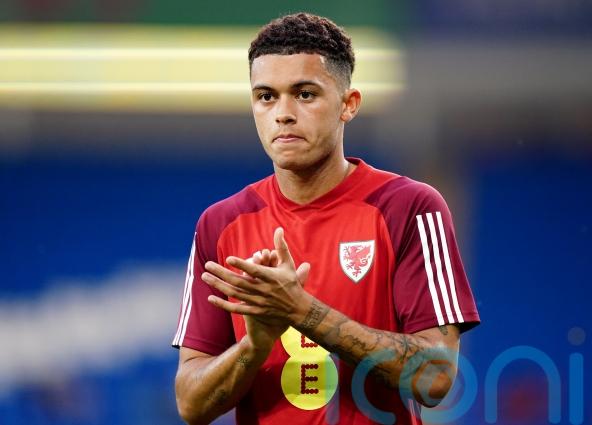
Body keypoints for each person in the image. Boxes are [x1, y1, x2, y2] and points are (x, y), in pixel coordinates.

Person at [172, 12, 480, 425]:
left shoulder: (409, 207)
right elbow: (191, 405)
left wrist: (303, 312)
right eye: (266, 96)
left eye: (304, 94)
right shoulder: (221, 224)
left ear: (348, 105)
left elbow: (436, 377)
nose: (283, 113)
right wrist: (254, 346)